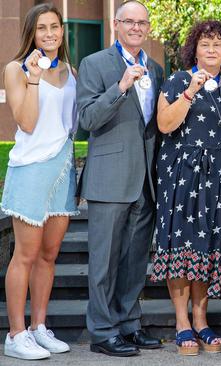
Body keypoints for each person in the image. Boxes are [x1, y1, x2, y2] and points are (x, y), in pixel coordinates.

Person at [76, 0, 164, 357]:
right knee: (104, 262)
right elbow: (86, 120)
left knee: (133, 261)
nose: (136, 28)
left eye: (142, 23)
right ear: (116, 24)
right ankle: (102, 331)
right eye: (129, 22)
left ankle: (129, 324)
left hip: (145, 180)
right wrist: (121, 86)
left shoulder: (156, 68)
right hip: (109, 179)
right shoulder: (95, 64)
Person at [149, 20, 221, 356]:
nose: (212, 50)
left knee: (207, 245)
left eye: (218, 44)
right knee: (180, 244)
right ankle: (181, 321)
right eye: (205, 44)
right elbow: (164, 123)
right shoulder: (178, 80)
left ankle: (201, 318)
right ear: (194, 50)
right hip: (181, 174)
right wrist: (190, 92)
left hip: (217, 178)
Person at [1, 3, 77, 360]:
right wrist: (33, 78)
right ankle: (16, 335)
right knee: (26, 255)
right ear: (31, 33)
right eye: (42, 28)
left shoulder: (71, 70)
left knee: (49, 255)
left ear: (63, 31)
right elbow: (28, 123)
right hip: (31, 169)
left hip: (63, 168)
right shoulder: (16, 69)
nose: (50, 34)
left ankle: (38, 327)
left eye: (55, 27)